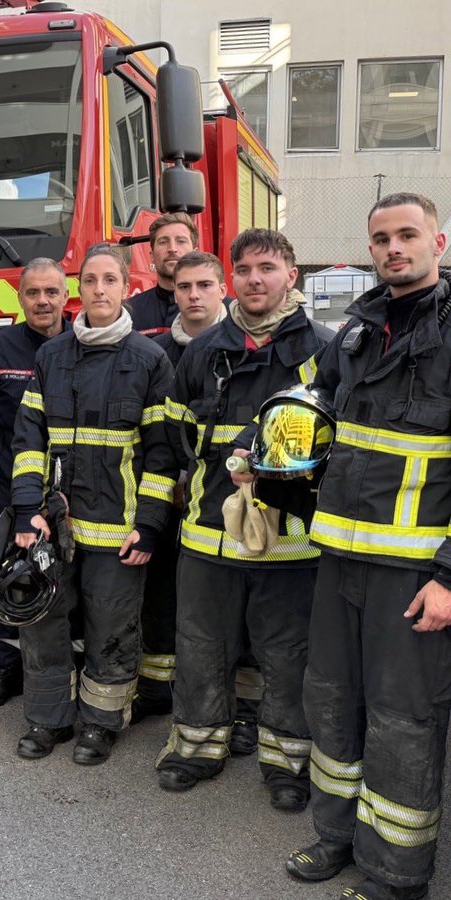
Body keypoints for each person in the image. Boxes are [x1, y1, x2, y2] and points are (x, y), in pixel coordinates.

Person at [285, 193, 451, 900]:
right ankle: (336, 836)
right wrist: (264, 451)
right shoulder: (354, 332)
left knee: (402, 719)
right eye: (381, 238)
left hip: (413, 574)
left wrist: (449, 578)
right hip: (340, 560)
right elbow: (307, 405)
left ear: (438, 243)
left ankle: (395, 874)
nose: (393, 248)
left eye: (407, 235)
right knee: (332, 700)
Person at [156, 229, 332, 812]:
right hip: (208, 538)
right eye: (245, 269)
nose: (255, 280)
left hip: (290, 546)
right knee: (201, 647)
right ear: (232, 278)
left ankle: (287, 763)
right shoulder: (204, 350)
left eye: (268, 268)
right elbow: (177, 432)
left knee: (288, 656)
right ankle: (195, 748)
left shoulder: (325, 350)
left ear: (291, 276)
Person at [10, 246, 176, 764]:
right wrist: (26, 509)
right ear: (78, 289)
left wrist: (149, 525)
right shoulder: (51, 356)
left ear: (126, 287)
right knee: (43, 622)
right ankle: (48, 719)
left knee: (111, 629)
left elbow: (162, 454)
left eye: (109, 280)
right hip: (52, 525)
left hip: (118, 529)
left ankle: (102, 724)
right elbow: (29, 440)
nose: (99, 289)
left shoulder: (149, 359)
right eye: (90, 280)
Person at [133, 252, 229, 721]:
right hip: (166, 495)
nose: (194, 295)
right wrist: (168, 483)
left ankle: (230, 698)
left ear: (222, 289)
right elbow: (154, 431)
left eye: (204, 286)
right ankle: (156, 686)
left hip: (224, 501)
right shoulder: (156, 353)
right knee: (160, 596)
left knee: (220, 604)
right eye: (185, 287)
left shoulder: (240, 347)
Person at [0, 257, 70, 709]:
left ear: (66, 296)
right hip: (13, 491)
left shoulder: (81, 343)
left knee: (69, 585)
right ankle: (7, 669)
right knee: (8, 577)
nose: (42, 301)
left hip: (71, 492)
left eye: (51, 292)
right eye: (33, 293)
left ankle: (65, 671)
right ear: (20, 298)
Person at [127, 213, 199, 336]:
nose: (172, 249)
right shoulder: (129, 312)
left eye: (181, 241)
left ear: (195, 253)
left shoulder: (220, 309)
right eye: (163, 242)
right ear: (151, 256)